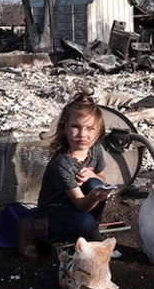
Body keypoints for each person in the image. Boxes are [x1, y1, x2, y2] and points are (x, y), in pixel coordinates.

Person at [18, 89, 113, 257]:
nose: (83, 134)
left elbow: (101, 176)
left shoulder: (95, 150)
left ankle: (90, 228)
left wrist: (93, 178)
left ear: (98, 131)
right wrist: (95, 196)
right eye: (75, 127)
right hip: (54, 210)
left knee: (97, 184)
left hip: (76, 206)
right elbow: (82, 205)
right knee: (85, 220)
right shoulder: (62, 162)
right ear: (65, 128)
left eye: (90, 128)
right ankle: (32, 228)